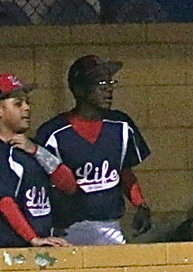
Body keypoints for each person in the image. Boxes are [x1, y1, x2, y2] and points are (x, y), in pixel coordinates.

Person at [34, 55, 151, 245]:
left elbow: (123, 170)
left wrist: (140, 204)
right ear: (79, 89)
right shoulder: (53, 132)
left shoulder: (120, 125)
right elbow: (38, 183)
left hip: (109, 226)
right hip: (66, 229)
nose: (108, 88)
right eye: (100, 82)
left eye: (110, 81)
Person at [0, 74, 74, 248]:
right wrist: (32, 238)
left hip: (35, 246)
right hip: (8, 249)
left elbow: (69, 185)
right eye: (18, 104)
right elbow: (4, 201)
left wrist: (36, 151)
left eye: (27, 102)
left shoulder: (33, 148)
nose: (26, 108)